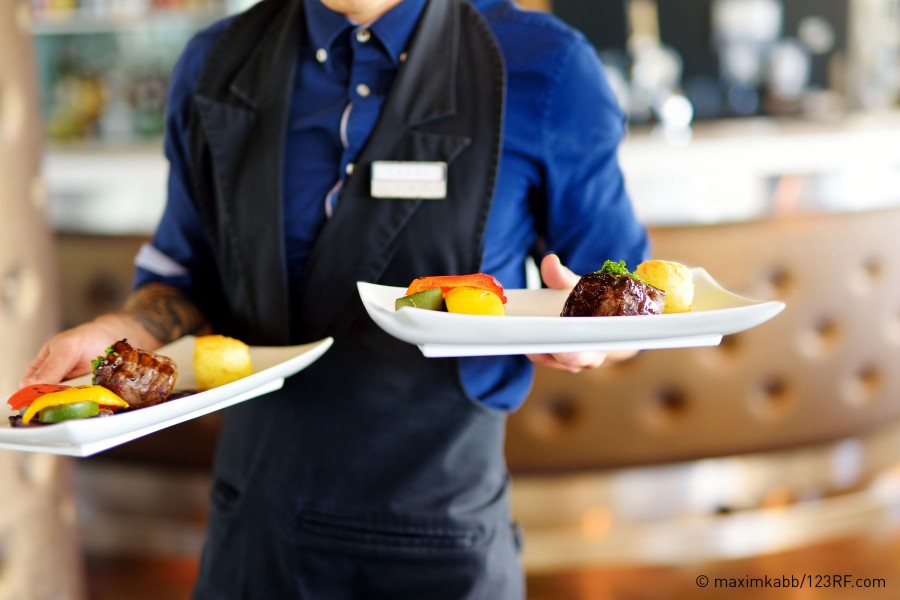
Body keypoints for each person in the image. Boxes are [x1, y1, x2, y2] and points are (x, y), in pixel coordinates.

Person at [23, 0, 649, 598]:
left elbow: (624, 300)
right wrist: (121, 330)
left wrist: (593, 338)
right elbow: (186, 276)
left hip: (439, 542)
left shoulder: (544, 65)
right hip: (253, 537)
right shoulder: (216, 61)